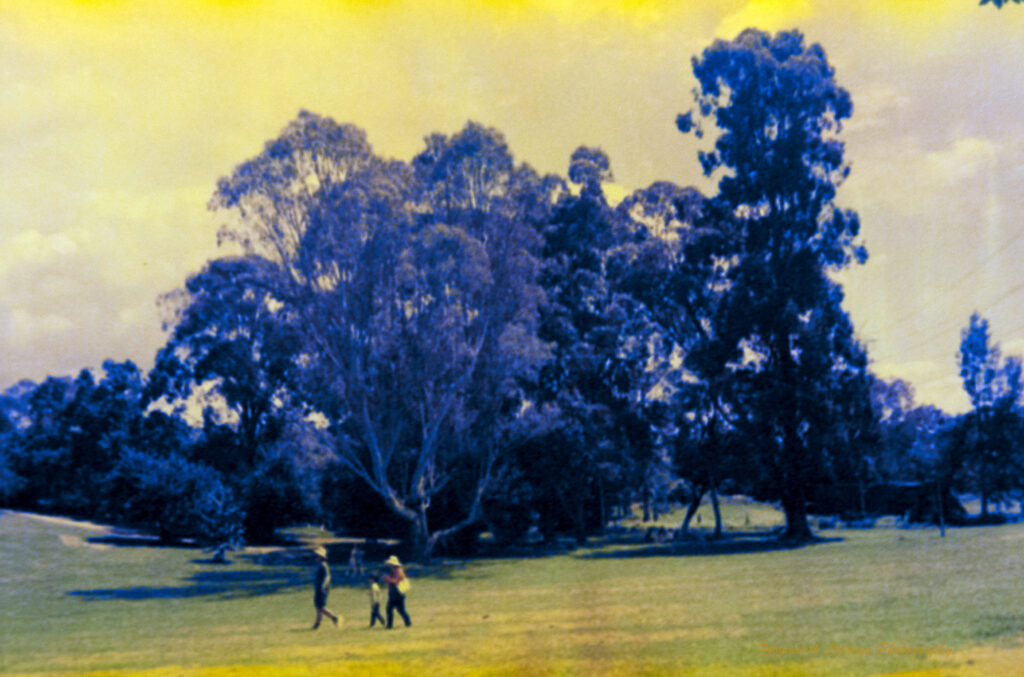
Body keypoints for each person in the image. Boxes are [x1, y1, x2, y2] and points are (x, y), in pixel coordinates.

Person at [311, 545, 340, 629]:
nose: (315, 557)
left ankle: (333, 618)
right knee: (319, 607)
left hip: (322, 589)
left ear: (321, 557)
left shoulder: (323, 565)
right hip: (319, 588)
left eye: (317, 555)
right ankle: (318, 623)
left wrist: (323, 586)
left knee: (320, 607)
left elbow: (327, 576)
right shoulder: (320, 565)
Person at [381, 554, 411, 628]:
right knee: (399, 610)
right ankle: (407, 623)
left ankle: (390, 625)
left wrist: (387, 579)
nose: (389, 565)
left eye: (390, 564)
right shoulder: (394, 570)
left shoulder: (398, 571)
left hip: (397, 594)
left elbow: (397, 581)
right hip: (395, 593)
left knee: (390, 609)